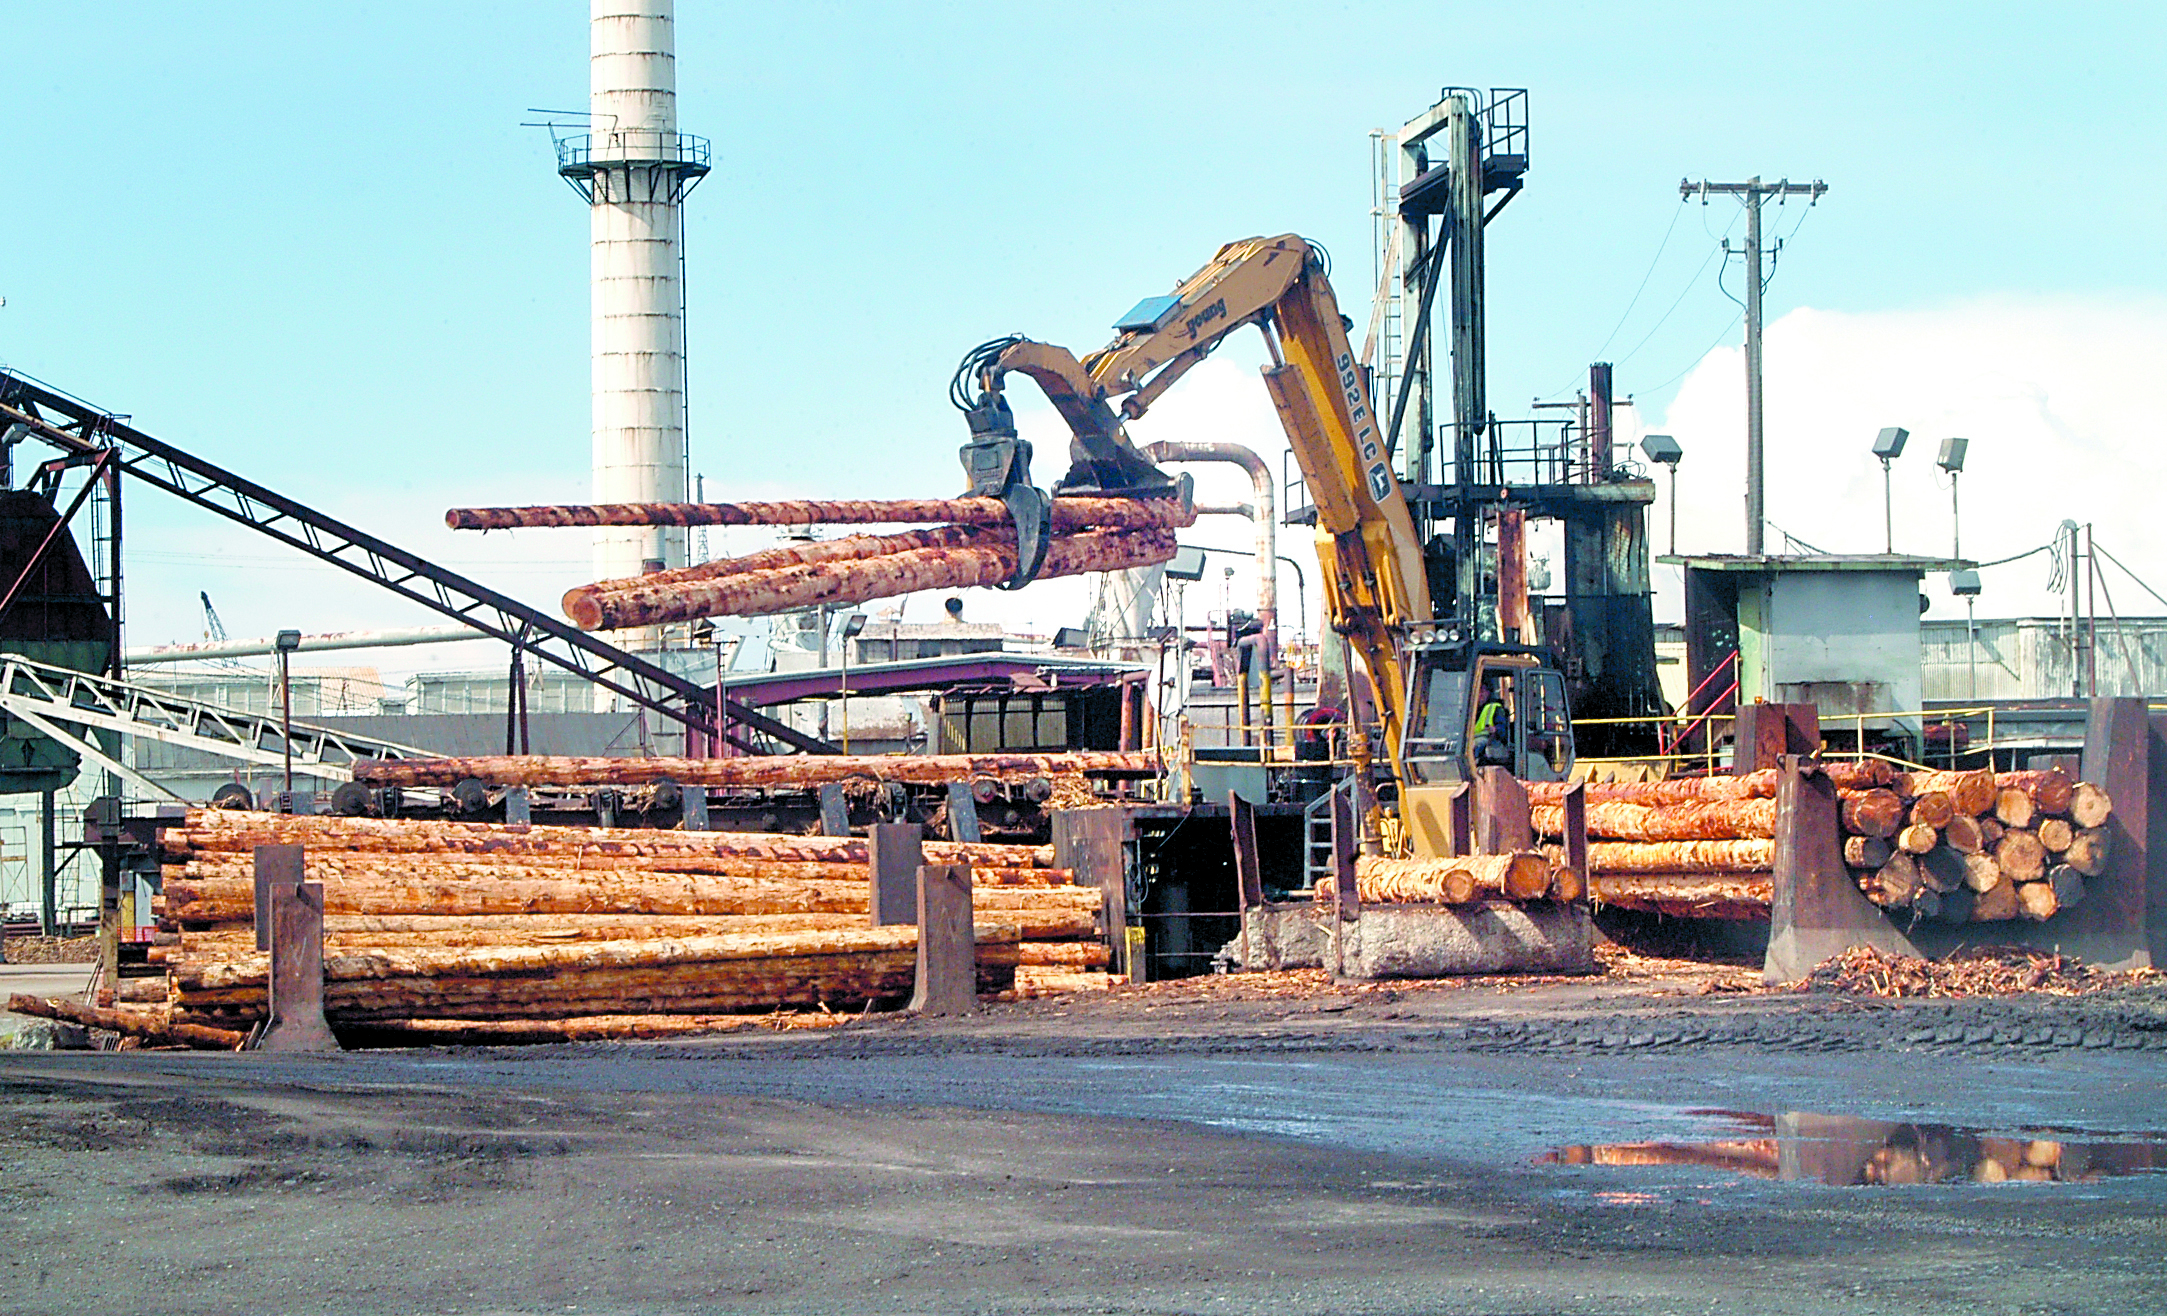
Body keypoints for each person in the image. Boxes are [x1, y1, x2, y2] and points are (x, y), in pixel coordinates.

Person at [1473, 680, 1512, 767]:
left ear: (1488, 692)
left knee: (1476, 745)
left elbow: (1503, 731)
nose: (1480, 694)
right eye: (1478, 691)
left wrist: (1495, 729)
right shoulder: (1470, 709)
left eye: (1482, 691)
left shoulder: (1495, 708)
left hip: (1491, 742)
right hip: (1473, 740)